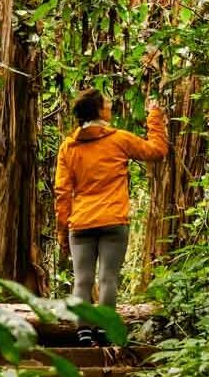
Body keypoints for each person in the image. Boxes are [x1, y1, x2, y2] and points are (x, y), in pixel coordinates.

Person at [55, 88, 169, 346]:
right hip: (113, 221)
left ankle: (83, 333)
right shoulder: (118, 139)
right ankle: (105, 331)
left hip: (81, 223)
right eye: (106, 104)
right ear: (98, 110)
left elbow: (62, 192)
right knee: (108, 279)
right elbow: (157, 151)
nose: (110, 107)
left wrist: (62, 230)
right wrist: (154, 114)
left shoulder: (68, 147)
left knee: (82, 280)